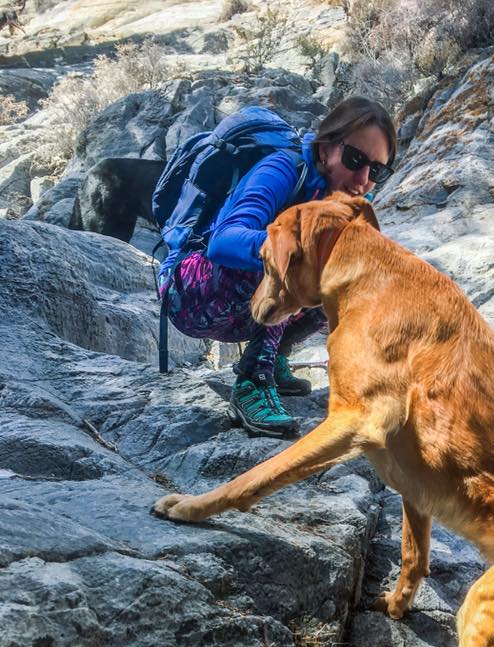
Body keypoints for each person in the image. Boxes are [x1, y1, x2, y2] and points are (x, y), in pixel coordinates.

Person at [158, 97, 397, 438]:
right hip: (189, 293)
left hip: (245, 311)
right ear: (327, 147)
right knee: (291, 258)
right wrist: (293, 249)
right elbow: (223, 242)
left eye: (377, 171)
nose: (362, 179)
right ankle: (252, 385)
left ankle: (272, 356)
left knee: (344, 275)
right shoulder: (283, 169)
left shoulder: (350, 201)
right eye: (354, 159)